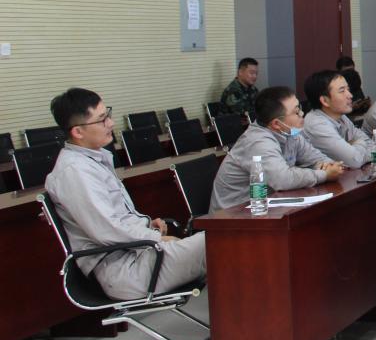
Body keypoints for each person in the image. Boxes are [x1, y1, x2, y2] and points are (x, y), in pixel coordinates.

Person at [44, 88, 207, 299]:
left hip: (140, 255)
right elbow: (107, 230)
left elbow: (114, 219)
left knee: (225, 240)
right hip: (125, 270)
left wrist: (145, 224)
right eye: (102, 119)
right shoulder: (74, 172)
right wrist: (156, 237)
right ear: (78, 132)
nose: (111, 123)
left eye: (108, 115)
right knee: (222, 241)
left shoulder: (92, 161)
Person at [209, 86, 344, 212]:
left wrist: (327, 165)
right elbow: (283, 179)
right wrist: (324, 174)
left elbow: (316, 158)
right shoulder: (258, 142)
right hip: (233, 216)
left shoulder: (290, 133)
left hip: (267, 208)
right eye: (296, 112)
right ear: (276, 124)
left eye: (300, 108)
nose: (302, 114)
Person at [303, 70, 372, 168]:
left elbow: (372, 145)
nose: (350, 95)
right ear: (325, 101)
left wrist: (354, 146)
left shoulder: (340, 116)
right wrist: (359, 143)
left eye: (348, 89)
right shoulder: (317, 125)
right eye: (342, 91)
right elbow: (355, 161)